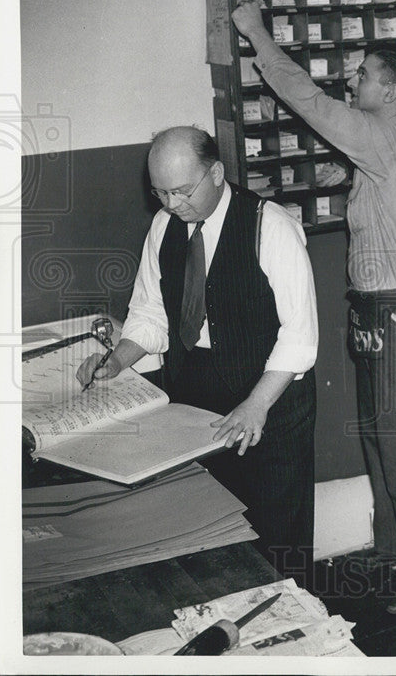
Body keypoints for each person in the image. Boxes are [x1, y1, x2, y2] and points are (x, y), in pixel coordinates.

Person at [231, 1, 396, 613]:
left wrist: (257, 36)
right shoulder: (387, 146)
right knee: (380, 436)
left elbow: (310, 102)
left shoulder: (389, 138)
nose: (354, 80)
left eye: (365, 73)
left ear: (392, 88)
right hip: (377, 310)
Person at [76, 126, 318, 585]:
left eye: (183, 191)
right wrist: (120, 358)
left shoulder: (271, 226)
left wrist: (256, 404)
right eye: (160, 192)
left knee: (277, 538)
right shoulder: (164, 226)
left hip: (270, 391)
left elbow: (301, 336)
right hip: (197, 392)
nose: (171, 204)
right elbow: (150, 311)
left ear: (217, 174)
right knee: (213, 529)